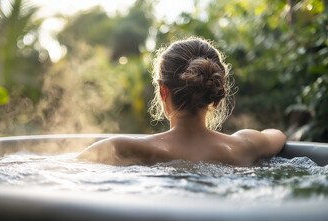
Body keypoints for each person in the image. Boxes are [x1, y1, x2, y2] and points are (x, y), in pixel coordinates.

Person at [77, 37, 286, 167]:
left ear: (163, 91)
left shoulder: (122, 148)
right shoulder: (243, 146)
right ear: (214, 91)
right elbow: (277, 136)